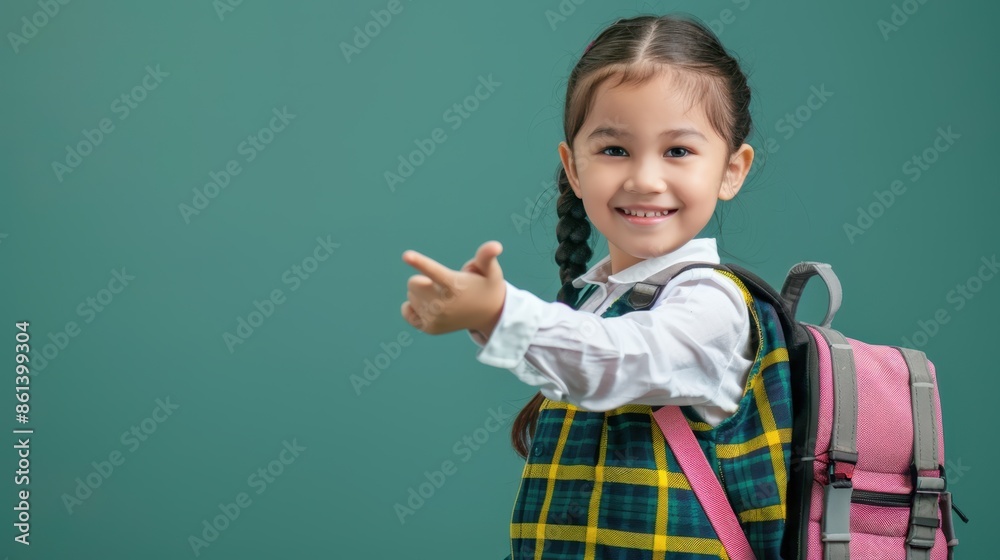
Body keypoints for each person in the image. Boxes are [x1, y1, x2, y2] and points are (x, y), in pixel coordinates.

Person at [400, 14, 793, 560]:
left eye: (678, 150)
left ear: (732, 169)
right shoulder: (598, 302)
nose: (645, 179)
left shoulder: (712, 306)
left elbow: (621, 358)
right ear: (573, 168)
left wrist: (497, 313)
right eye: (614, 150)